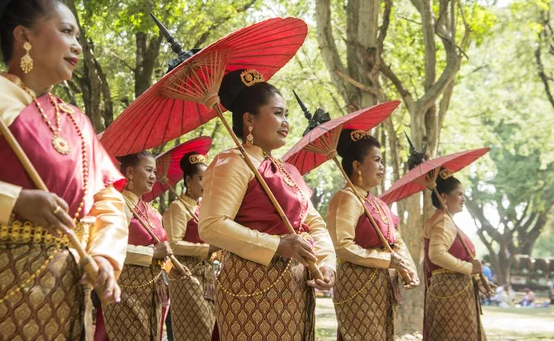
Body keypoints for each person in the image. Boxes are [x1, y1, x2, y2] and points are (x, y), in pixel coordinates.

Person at [0, 0, 127, 339]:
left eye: (77, 36)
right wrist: (14, 199)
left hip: (68, 293)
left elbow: (108, 199)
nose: (77, 45)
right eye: (66, 31)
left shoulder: (77, 120)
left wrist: (104, 256)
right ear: (24, 36)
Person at [199, 69, 336, 340]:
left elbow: (314, 221)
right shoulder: (233, 163)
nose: (286, 122)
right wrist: (277, 245)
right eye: (277, 113)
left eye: (286, 114)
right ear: (249, 119)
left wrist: (326, 260)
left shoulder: (289, 171)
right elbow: (212, 226)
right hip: (250, 288)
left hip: (296, 290)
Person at [326, 130, 419, 340]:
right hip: (358, 286)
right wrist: (386, 260)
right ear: (357, 165)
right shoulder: (346, 198)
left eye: (383, 161)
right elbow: (341, 245)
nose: (382, 167)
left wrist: (407, 268)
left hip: (384, 287)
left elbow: (396, 241)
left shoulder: (378, 204)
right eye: (376, 160)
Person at [100, 151, 173, 340]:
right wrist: (150, 253)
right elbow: (111, 247)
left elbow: (163, 252)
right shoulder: (116, 204)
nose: (153, 176)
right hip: (127, 289)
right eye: (148, 170)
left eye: (155, 172)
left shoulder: (153, 212)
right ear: (130, 172)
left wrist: (173, 268)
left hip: (154, 290)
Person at [422, 172, 487, 340]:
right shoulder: (443, 221)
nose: (463, 199)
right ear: (444, 197)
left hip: (454, 292)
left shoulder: (446, 220)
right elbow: (436, 255)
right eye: (459, 194)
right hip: (451, 293)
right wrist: (469, 268)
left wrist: (478, 281)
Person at [163, 152, 218, 340]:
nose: (207, 183)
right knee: (198, 328)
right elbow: (173, 244)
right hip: (185, 276)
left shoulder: (203, 208)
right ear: (188, 180)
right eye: (202, 178)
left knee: (211, 327)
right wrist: (207, 249)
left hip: (207, 277)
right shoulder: (178, 208)